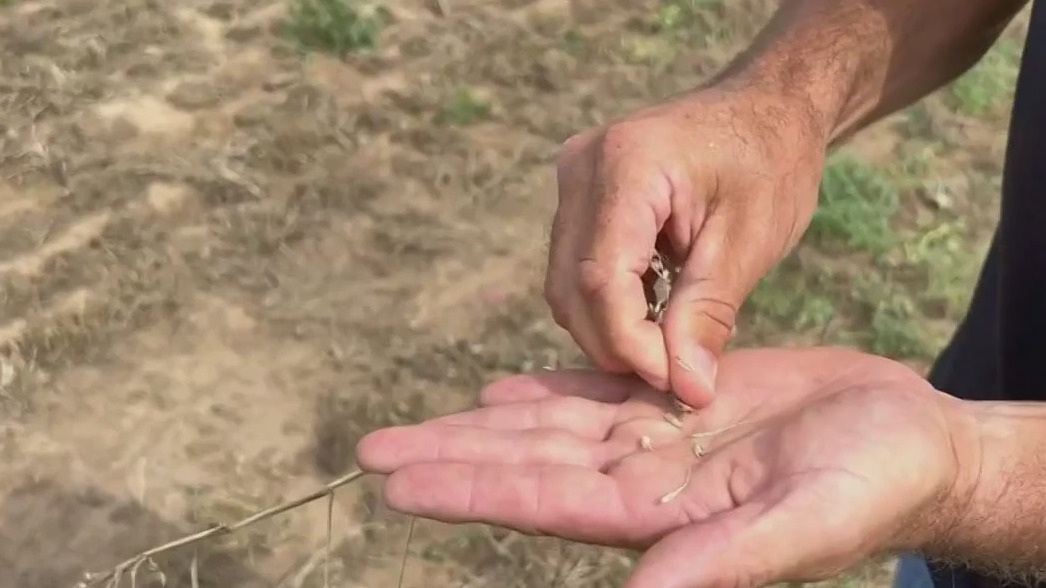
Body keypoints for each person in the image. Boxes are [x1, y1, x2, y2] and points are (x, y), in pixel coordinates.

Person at [355, 0, 1046, 586]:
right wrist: (787, 99)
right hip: (963, 445)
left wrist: (978, 473)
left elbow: (968, 478)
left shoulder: (951, 468)